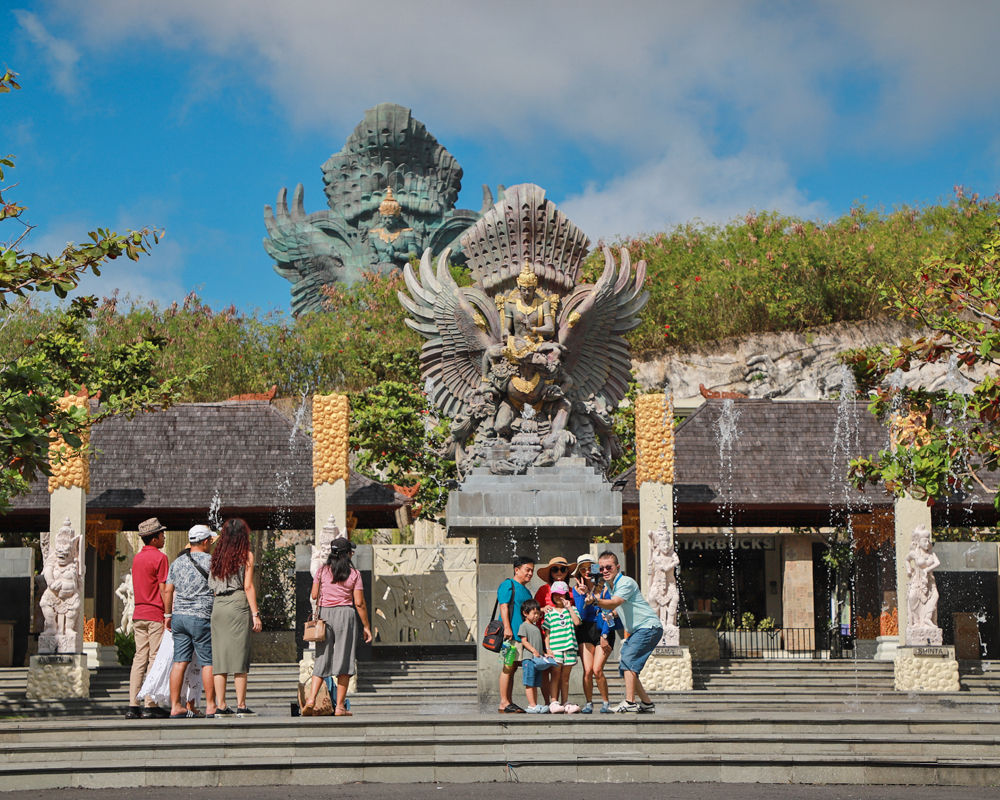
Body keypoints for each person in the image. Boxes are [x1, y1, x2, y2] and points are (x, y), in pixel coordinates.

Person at [303, 536, 372, 717]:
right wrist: (366, 626)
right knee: (344, 660)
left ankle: (311, 700)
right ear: (348, 554)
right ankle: (340, 707)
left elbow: (314, 594)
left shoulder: (321, 571)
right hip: (345, 616)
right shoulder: (354, 574)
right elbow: (359, 603)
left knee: (322, 658)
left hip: (325, 615)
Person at [588, 551, 663, 713]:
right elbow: (620, 606)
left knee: (628, 662)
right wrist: (611, 614)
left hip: (648, 627)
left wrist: (595, 600)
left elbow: (615, 602)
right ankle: (647, 704)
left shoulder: (625, 582)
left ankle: (630, 702)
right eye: (601, 568)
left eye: (609, 567)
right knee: (625, 667)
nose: (605, 571)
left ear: (618, 567)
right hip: (639, 629)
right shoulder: (609, 584)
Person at [208, 518, 261, 716]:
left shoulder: (217, 556)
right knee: (240, 658)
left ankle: (221, 706)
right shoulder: (246, 556)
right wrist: (255, 614)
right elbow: (248, 586)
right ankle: (240, 705)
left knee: (220, 659)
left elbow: (212, 586)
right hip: (238, 604)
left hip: (219, 606)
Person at [164, 525, 217, 718]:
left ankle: (175, 706)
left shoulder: (177, 562)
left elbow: (168, 591)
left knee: (179, 662)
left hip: (179, 617)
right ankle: (211, 705)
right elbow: (218, 589)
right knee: (207, 662)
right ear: (205, 541)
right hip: (201, 616)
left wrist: (168, 615)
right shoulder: (212, 562)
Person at [127, 517, 170, 719]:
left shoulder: (137, 558)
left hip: (138, 613)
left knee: (139, 658)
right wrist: (168, 613)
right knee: (154, 658)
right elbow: (163, 589)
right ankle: (150, 703)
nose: (164, 537)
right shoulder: (160, 558)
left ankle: (132, 704)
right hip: (154, 613)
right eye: (161, 534)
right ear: (154, 539)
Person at [573, 553, 622, 714]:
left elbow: (607, 610)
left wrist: (605, 635)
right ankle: (588, 702)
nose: (586, 571)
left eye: (590, 567)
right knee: (587, 670)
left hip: (603, 628)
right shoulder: (576, 589)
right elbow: (581, 615)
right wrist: (582, 594)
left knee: (597, 669)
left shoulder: (602, 584)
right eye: (583, 569)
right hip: (585, 630)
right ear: (579, 572)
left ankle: (606, 702)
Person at [534, 555, 577, 704]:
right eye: (555, 569)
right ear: (550, 572)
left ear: (567, 572)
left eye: (563, 569)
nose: (559, 572)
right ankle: (549, 703)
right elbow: (533, 611)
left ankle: (562, 702)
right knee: (548, 672)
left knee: (561, 674)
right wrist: (541, 608)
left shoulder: (572, 591)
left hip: (566, 638)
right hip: (546, 635)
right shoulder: (543, 590)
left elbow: (577, 616)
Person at [496, 555, 535, 714]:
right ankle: (504, 702)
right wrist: (507, 627)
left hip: (523, 637)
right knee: (507, 666)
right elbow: (503, 606)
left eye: (532, 570)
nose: (530, 573)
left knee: (512, 668)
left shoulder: (526, 591)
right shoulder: (508, 584)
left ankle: (508, 702)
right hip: (509, 637)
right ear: (516, 570)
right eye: (528, 570)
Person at [542, 581, 581, 714]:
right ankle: (554, 702)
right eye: (556, 594)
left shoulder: (573, 609)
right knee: (555, 675)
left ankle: (565, 703)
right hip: (555, 648)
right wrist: (548, 648)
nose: (559, 597)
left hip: (570, 647)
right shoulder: (550, 612)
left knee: (565, 677)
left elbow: (577, 622)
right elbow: (547, 632)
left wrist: (569, 607)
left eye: (562, 594)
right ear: (552, 595)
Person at [517, 599, 554, 713]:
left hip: (537, 659)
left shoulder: (536, 627)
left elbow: (537, 644)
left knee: (535, 683)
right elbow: (524, 641)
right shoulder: (524, 626)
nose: (537, 616)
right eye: (534, 613)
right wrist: (533, 651)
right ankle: (532, 705)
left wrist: (544, 653)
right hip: (529, 659)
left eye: (538, 613)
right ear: (525, 613)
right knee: (529, 683)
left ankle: (535, 704)